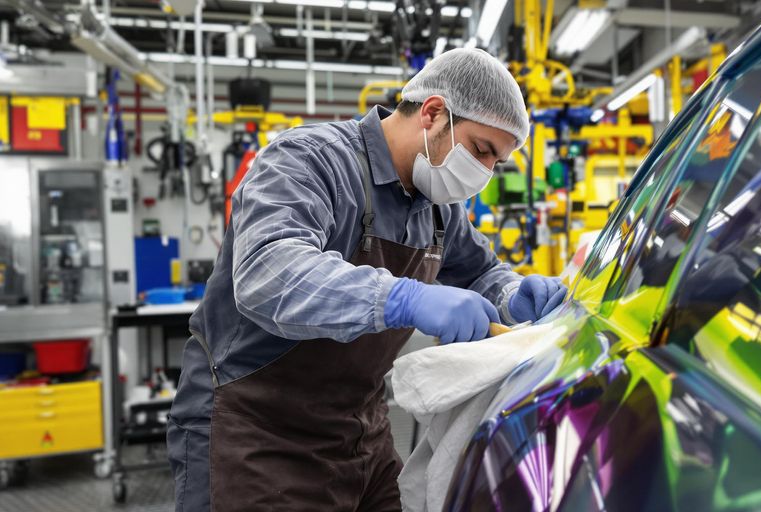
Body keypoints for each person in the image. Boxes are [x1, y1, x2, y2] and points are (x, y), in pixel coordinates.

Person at [167, 48, 567, 511]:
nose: (484, 173)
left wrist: (514, 292)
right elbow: (267, 270)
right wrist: (401, 296)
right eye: (481, 150)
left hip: (359, 431)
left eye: (497, 162)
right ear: (434, 114)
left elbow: (480, 271)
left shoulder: (436, 208)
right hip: (257, 432)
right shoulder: (309, 161)